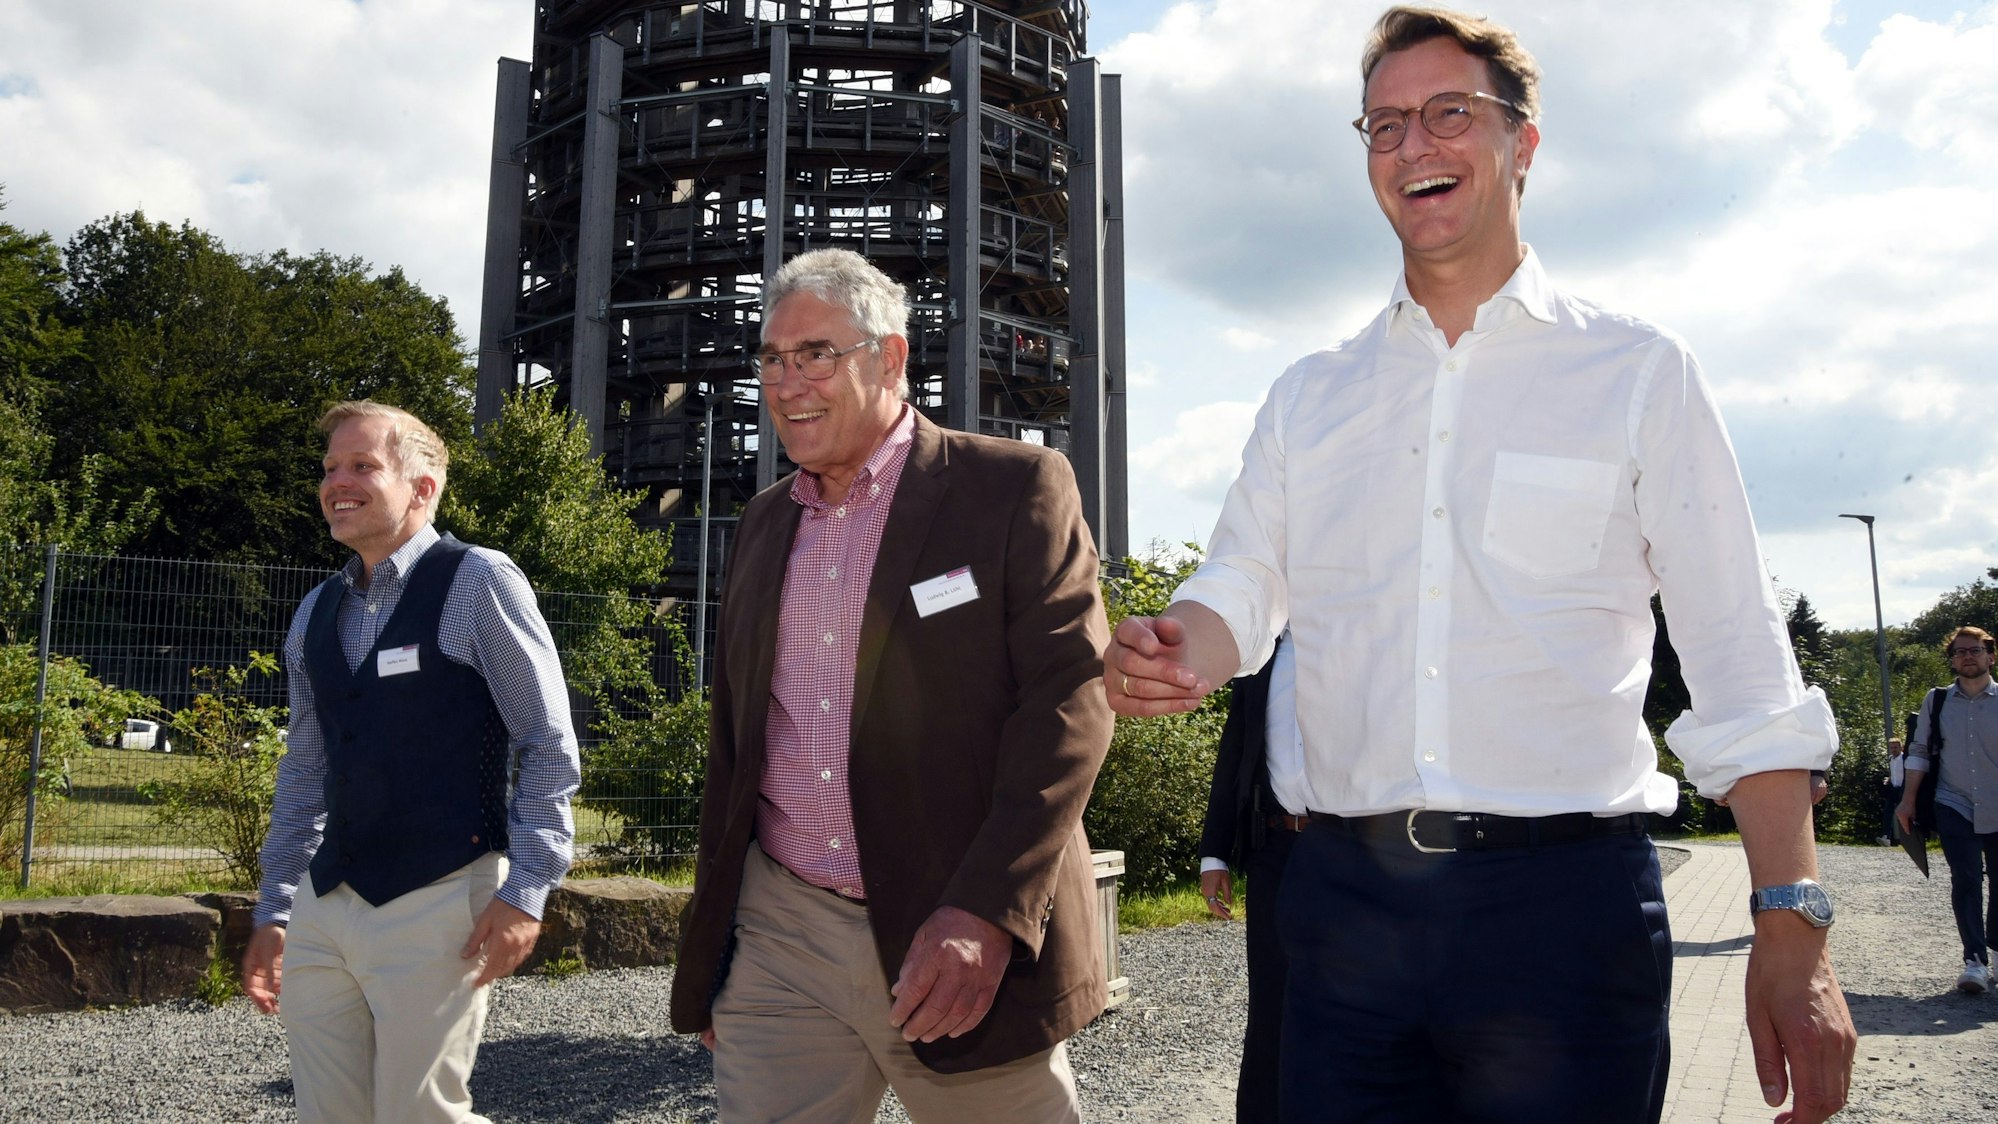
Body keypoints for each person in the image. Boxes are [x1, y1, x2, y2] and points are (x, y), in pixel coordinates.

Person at [1102, 7, 1856, 1122]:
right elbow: (1241, 586)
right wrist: (1178, 645)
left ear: (1524, 144)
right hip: (1340, 913)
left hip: (1562, 911)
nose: (1415, 147)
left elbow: (1742, 658)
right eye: (1385, 125)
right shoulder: (1310, 396)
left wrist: (1792, 922)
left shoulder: (1639, 374)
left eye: (1449, 113)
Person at [667, 248, 1114, 1121]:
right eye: (773, 358)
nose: (789, 382)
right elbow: (737, 744)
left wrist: (986, 910)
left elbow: (1069, 703)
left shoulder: (1010, 487)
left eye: (816, 355)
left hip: (951, 925)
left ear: (892, 358)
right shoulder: (763, 522)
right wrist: (717, 939)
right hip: (782, 928)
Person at [240, 400, 581, 1123]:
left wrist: (526, 889)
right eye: (331, 467)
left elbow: (548, 742)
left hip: (440, 896)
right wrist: (277, 906)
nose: (338, 481)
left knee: (421, 1114)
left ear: (423, 487)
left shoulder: (478, 582)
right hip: (326, 903)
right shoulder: (316, 610)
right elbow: (304, 770)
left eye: (363, 465)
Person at [1197, 634, 1304, 1124]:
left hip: (1355, 849)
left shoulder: (1364, 637)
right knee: (1271, 1011)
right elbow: (1236, 746)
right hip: (1275, 850)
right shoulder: (1262, 652)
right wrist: (1214, 854)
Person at [1897, 626, 1998, 993]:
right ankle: (1975, 961)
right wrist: (1907, 801)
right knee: (1966, 881)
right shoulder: (1936, 700)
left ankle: (1995, 949)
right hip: (1953, 802)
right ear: (1952, 659)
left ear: (1991, 655)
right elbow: (1920, 751)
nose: (1967, 656)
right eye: (1959, 652)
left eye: (1975, 650)